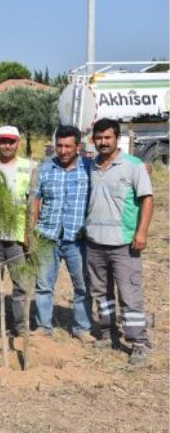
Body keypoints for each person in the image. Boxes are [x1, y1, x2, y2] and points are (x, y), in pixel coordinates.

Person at [85, 118, 154, 365]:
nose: (103, 142)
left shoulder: (133, 165)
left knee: (129, 294)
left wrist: (142, 232)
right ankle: (107, 334)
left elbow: (147, 199)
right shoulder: (91, 166)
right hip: (94, 243)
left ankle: (139, 342)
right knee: (101, 293)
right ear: (93, 140)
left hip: (124, 244)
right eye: (99, 138)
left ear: (117, 138)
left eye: (108, 138)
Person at [31, 125, 93, 340]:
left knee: (83, 286)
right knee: (43, 285)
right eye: (60, 146)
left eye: (68, 146)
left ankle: (82, 328)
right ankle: (43, 326)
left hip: (78, 239)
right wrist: (31, 231)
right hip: (48, 236)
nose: (63, 151)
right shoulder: (45, 169)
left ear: (78, 147)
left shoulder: (89, 168)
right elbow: (35, 201)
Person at [0, 126, 33, 337]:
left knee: (20, 284)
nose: (7, 145)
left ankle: (20, 326)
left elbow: (33, 202)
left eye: (11, 141)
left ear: (18, 143)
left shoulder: (28, 167)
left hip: (18, 236)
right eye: (3, 141)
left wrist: (30, 232)